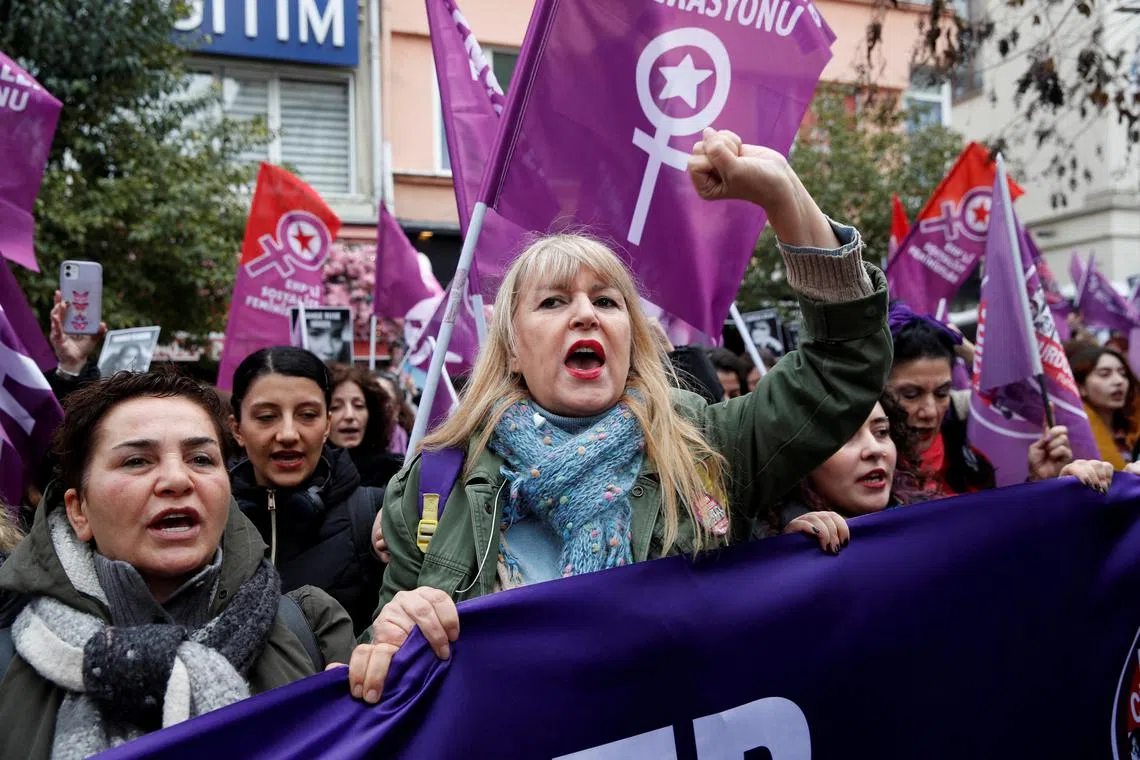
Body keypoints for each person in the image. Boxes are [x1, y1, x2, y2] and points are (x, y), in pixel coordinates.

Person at [346, 127, 893, 704]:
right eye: (554, 302)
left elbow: (843, 364)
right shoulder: (432, 489)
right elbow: (381, 683)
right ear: (510, 348)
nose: (586, 314)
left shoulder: (706, 449)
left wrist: (784, 196)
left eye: (607, 302)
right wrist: (389, 638)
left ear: (630, 338)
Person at [0, 372, 353, 758]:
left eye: (200, 459)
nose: (176, 480)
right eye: (136, 461)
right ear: (79, 510)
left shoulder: (311, 631)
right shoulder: (8, 654)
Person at [227, 347, 386, 634]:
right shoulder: (209, 522)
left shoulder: (376, 514)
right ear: (236, 427)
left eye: (307, 415)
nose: (288, 434)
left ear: (326, 425)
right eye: (266, 416)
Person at [886, 304, 1070, 497]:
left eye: (942, 393)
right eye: (911, 395)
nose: (930, 412)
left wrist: (1040, 483)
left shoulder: (971, 457)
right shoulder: (866, 474)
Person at [328, 364, 404, 489]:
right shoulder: (305, 475)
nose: (349, 415)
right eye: (335, 407)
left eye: (358, 406)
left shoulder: (397, 475)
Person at [1069, 346, 1140, 469]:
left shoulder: (1133, 433)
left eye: (1123, 374)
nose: (1119, 381)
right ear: (1081, 387)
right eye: (1105, 374)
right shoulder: (1070, 439)